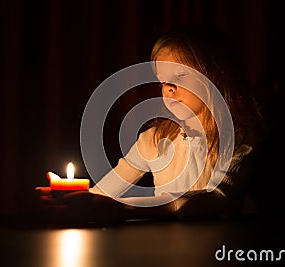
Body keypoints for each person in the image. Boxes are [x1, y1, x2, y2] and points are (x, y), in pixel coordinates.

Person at [36, 23, 263, 225]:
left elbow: (216, 198)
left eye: (181, 76)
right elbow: (106, 193)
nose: (169, 88)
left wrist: (123, 208)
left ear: (216, 76)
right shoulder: (154, 140)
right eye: (163, 81)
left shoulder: (239, 138)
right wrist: (68, 198)